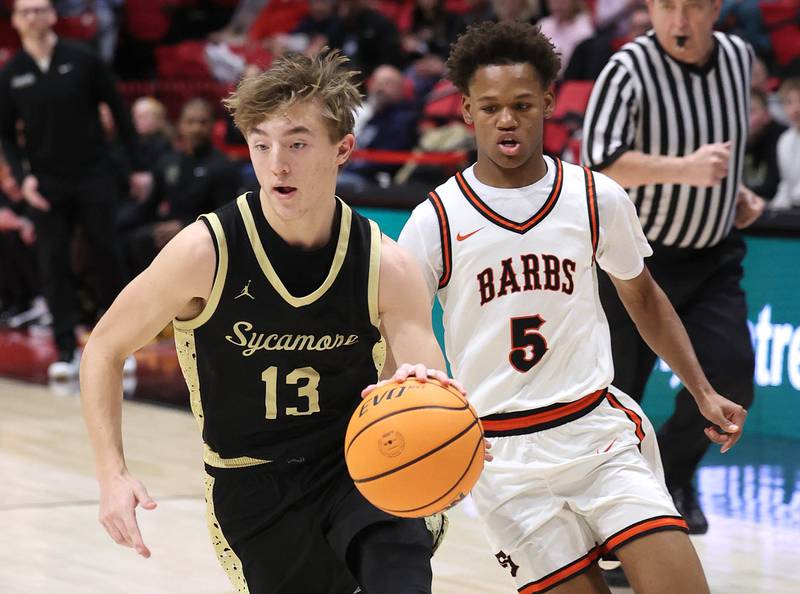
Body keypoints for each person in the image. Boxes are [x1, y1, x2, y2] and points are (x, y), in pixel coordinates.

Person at [80, 49, 463, 594]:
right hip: (250, 481)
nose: (277, 163)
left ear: (343, 149)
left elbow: (427, 380)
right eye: (261, 145)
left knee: (397, 565)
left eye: (297, 144)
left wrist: (445, 421)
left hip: (357, 463)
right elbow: (103, 349)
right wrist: (111, 474)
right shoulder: (204, 252)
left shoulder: (386, 265)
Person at [396, 21, 747, 594]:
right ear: (466, 110)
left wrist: (703, 391)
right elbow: (399, 327)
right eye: (491, 107)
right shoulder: (434, 219)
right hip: (502, 455)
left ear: (549, 104)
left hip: (597, 434)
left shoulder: (595, 196)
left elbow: (644, 297)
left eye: (521, 105)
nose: (506, 119)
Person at [581, 0, 762, 535]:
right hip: (632, 264)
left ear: (717, 7)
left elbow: (722, 144)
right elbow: (600, 162)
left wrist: (735, 192)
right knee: (617, 397)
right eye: (667, 6)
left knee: (731, 377)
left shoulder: (739, 57)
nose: (680, 22)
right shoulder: (626, 69)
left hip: (712, 257)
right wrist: (685, 170)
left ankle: (674, 478)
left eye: (694, 7)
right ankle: (607, 522)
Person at [0, 0, 139, 378]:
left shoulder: (83, 58)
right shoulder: (12, 72)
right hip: (46, 183)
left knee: (106, 257)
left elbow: (118, 110)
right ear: (15, 20)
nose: (33, 17)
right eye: (25, 11)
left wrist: (137, 166)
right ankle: (65, 349)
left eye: (39, 9)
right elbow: (6, 135)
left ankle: (120, 347)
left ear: (51, 15)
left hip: (93, 174)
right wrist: (23, 177)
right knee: (53, 263)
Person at [124, 98, 241, 276]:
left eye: (203, 122)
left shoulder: (223, 167)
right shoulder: (168, 162)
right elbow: (149, 206)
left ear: (212, 126)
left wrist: (185, 226)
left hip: (205, 236)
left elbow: (226, 217)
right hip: (166, 230)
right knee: (131, 238)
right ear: (180, 125)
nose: (196, 128)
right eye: (191, 122)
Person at [769, 77, 800, 210]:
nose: (796, 108)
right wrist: (774, 210)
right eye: (789, 102)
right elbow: (786, 184)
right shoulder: (785, 140)